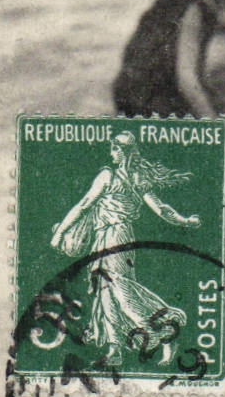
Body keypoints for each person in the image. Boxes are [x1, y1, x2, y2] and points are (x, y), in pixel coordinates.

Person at [50, 132, 200, 366]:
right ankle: (115, 349)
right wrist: (184, 220)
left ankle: (161, 331)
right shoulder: (136, 177)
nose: (111, 154)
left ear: (121, 151)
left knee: (119, 288)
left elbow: (84, 205)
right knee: (105, 291)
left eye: (114, 149)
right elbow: (162, 209)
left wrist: (60, 232)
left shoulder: (109, 176)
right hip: (107, 237)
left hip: (116, 236)